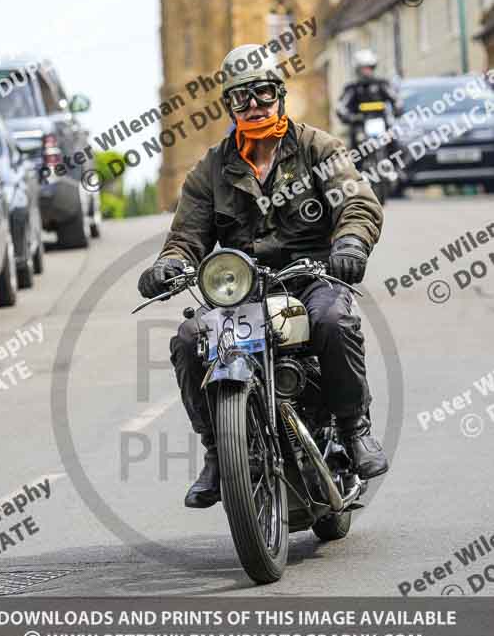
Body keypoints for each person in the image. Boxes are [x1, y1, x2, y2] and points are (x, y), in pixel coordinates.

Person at [138, 44, 388, 509]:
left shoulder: (319, 148)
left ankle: (355, 431)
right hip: (241, 290)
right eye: (241, 98)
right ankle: (218, 453)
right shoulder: (209, 170)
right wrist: (169, 265)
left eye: (262, 93)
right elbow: (186, 237)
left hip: (312, 277)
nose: (253, 105)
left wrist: (350, 243)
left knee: (334, 321)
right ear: (229, 106)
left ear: (279, 95)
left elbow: (357, 202)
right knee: (191, 337)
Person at [336, 48, 403, 148]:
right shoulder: (352, 88)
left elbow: (396, 100)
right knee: (356, 150)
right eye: (364, 68)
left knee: (396, 146)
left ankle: (394, 162)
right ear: (358, 70)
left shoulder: (382, 84)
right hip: (360, 124)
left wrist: (397, 111)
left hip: (382, 122)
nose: (367, 71)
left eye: (369, 68)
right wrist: (350, 117)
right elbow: (341, 107)